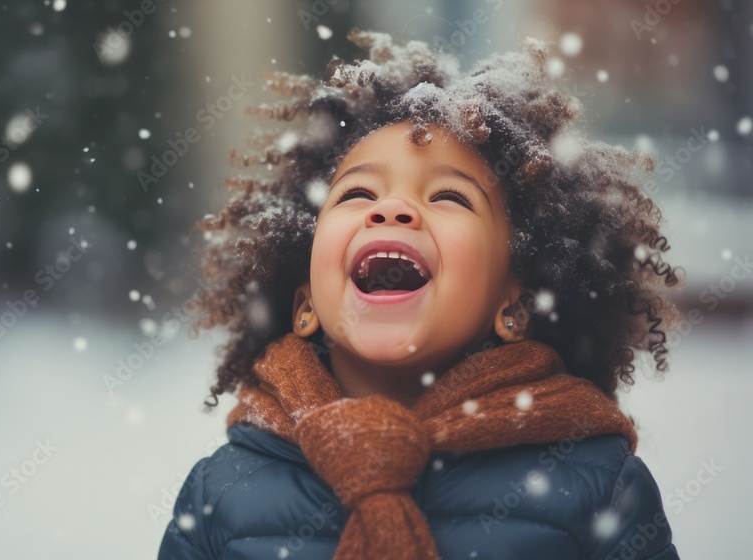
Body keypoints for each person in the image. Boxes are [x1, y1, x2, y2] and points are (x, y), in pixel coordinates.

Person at [157, 29, 682, 560]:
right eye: (358, 193)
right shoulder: (221, 495)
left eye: (450, 196)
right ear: (305, 305)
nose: (391, 211)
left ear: (514, 307)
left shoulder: (596, 490)